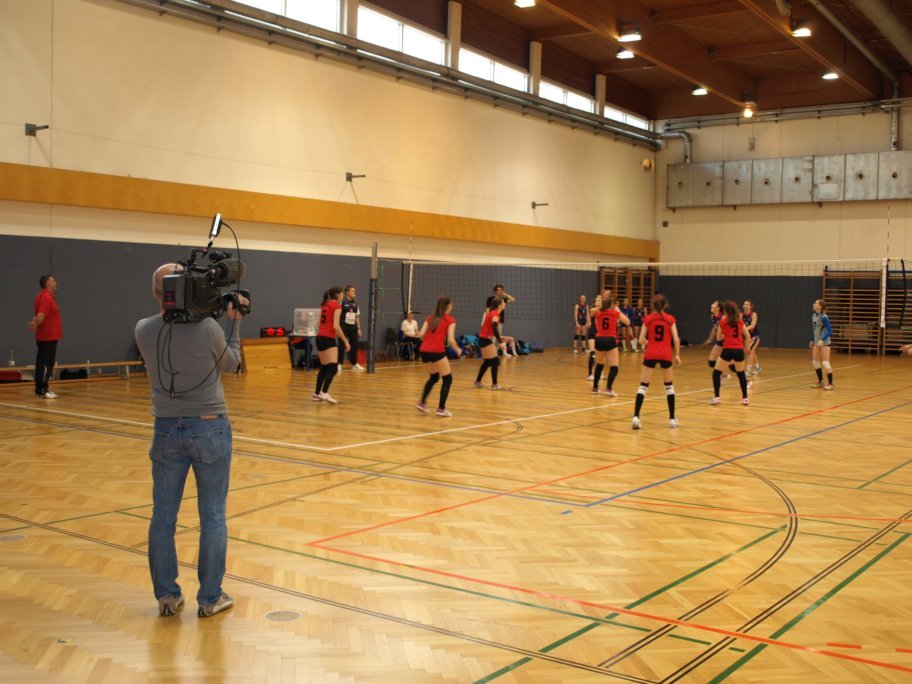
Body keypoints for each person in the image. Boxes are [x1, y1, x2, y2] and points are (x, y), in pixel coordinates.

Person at [134, 263, 249, 618]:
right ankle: (210, 598)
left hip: (166, 430)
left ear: (156, 292)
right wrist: (234, 322)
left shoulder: (143, 329)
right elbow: (232, 364)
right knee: (212, 515)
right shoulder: (208, 328)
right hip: (209, 428)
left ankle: (167, 597)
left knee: (162, 517)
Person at [632, 294, 682, 429]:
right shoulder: (670, 319)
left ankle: (636, 417)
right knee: (669, 387)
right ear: (665, 305)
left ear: (652, 306)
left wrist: (646, 342)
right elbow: (676, 339)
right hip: (665, 354)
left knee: (643, 386)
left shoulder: (648, 319)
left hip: (651, 353)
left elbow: (640, 339)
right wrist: (677, 355)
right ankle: (672, 419)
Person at [416, 295, 462, 417]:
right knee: (447, 379)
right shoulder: (450, 320)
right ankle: (441, 409)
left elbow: (421, 335)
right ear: (448, 306)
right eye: (451, 304)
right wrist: (458, 349)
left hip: (424, 350)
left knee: (434, 377)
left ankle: (422, 403)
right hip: (436, 351)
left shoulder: (430, 318)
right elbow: (451, 339)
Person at [27, 275, 62, 399]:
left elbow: (36, 316)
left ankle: (39, 389)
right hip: (48, 336)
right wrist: (36, 324)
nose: (55, 282)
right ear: (48, 284)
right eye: (53, 281)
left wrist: (34, 323)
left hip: (45, 336)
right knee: (47, 364)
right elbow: (40, 316)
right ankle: (42, 390)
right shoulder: (47, 298)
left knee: (42, 363)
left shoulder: (40, 297)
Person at [710, 300, 751, 406]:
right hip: (739, 350)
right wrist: (747, 348)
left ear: (726, 311)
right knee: (741, 374)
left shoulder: (723, 322)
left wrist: (726, 335)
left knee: (716, 373)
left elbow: (718, 338)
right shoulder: (739, 321)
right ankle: (745, 398)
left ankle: (717, 397)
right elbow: (747, 336)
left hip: (728, 349)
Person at [314, 287, 350, 403]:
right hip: (328, 338)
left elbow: (318, 323)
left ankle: (316, 394)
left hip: (319, 337)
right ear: (338, 295)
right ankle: (324, 392)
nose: (343, 295)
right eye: (342, 293)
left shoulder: (324, 305)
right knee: (333, 367)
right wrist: (345, 341)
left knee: (324, 367)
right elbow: (336, 326)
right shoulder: (337, 306)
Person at [592, 292, 629, 397]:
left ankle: (595, 388)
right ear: (612, 305)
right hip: (610, 339)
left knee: (599, 365)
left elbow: (592, 312)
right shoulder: (615, 313)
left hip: (599, 339)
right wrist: (617, 310)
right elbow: (628, 322)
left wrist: (601, 307)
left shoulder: (598, 313)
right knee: (614, 367)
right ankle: (608, 388)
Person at [475, 297, 507, 390]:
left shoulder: (493, 313)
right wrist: (500, 342)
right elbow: (494, 327)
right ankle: (494, 385)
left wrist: (499, 336)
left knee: (487, 362)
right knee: (495, 361)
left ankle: (478, 381)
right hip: (485, 339)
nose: (504, 304)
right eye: (503, 302)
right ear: (499, 305)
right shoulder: (495, 314)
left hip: (483, 339)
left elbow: (490, 328)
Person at [486, 284, 517, 357]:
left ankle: (495, 352)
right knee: (493, 337)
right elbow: (487, 309)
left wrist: (505, 294)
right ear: (495, 291)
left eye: (501, 290)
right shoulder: (490, 299)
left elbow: (513, 299)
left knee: (498, 337)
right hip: (493, 320)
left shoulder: (502, 299)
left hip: (500, 321)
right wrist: (488, 319)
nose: (500, 291)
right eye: (498, 290)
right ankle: (491, 353)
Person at [338, 285, 363, 371]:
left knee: (354, 345)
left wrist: (358, 328)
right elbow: (337, 315)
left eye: (354, 291)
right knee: (341, 345)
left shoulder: (355, 303)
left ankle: (354, 364)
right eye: (352, 291)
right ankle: (339, 364)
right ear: (347, 292)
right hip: (343, 326)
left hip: (353, 327)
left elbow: (357, 317)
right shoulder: (342, 302)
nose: (354, 292)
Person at [811, 298, 834, 390]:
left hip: (825, 342)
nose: (813, 304)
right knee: (815, 362)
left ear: (820, 306)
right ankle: (820, 382)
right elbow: (815, 330)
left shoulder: (824, 317)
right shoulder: (813, 316)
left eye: (815, 303)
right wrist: (812, 340)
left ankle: (831, 384)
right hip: (817, 342)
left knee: (825, 363)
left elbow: (830, 330)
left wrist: (822, 339)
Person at [705, 300, 730, 381]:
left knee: (732, 365)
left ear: (718, 308)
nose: (712, 304)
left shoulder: (723, 318)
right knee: (711, 362)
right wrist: (710, 339)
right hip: (720, 340)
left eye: (714, 303)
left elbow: (730, 330)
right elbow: (714, 328)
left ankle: (747, 380)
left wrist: (725, 335)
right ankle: (724, 374)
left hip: (728, 341)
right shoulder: (713, 317)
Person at [743, 299, 761, 375]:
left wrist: (743, 329)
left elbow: (753, 325)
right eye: (744, 304)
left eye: (747, 304)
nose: (745, 306)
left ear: (751, 306)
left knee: (750, 350)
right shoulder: (741, 315)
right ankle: (757, 367)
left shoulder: (753, 314)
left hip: (755, 337)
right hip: (747, 338)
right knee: (751, 352)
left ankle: (748, 371)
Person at [586, 293, 602, 380]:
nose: (600, 301)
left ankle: (599, 373)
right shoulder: (592, 309)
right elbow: (593, 312)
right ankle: (590, 374)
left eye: (600, 300)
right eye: (598, 300)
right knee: (593, 353)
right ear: (595, 303)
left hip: (600, 334)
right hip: (592, 333)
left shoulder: (603, 310)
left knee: (600, 354)